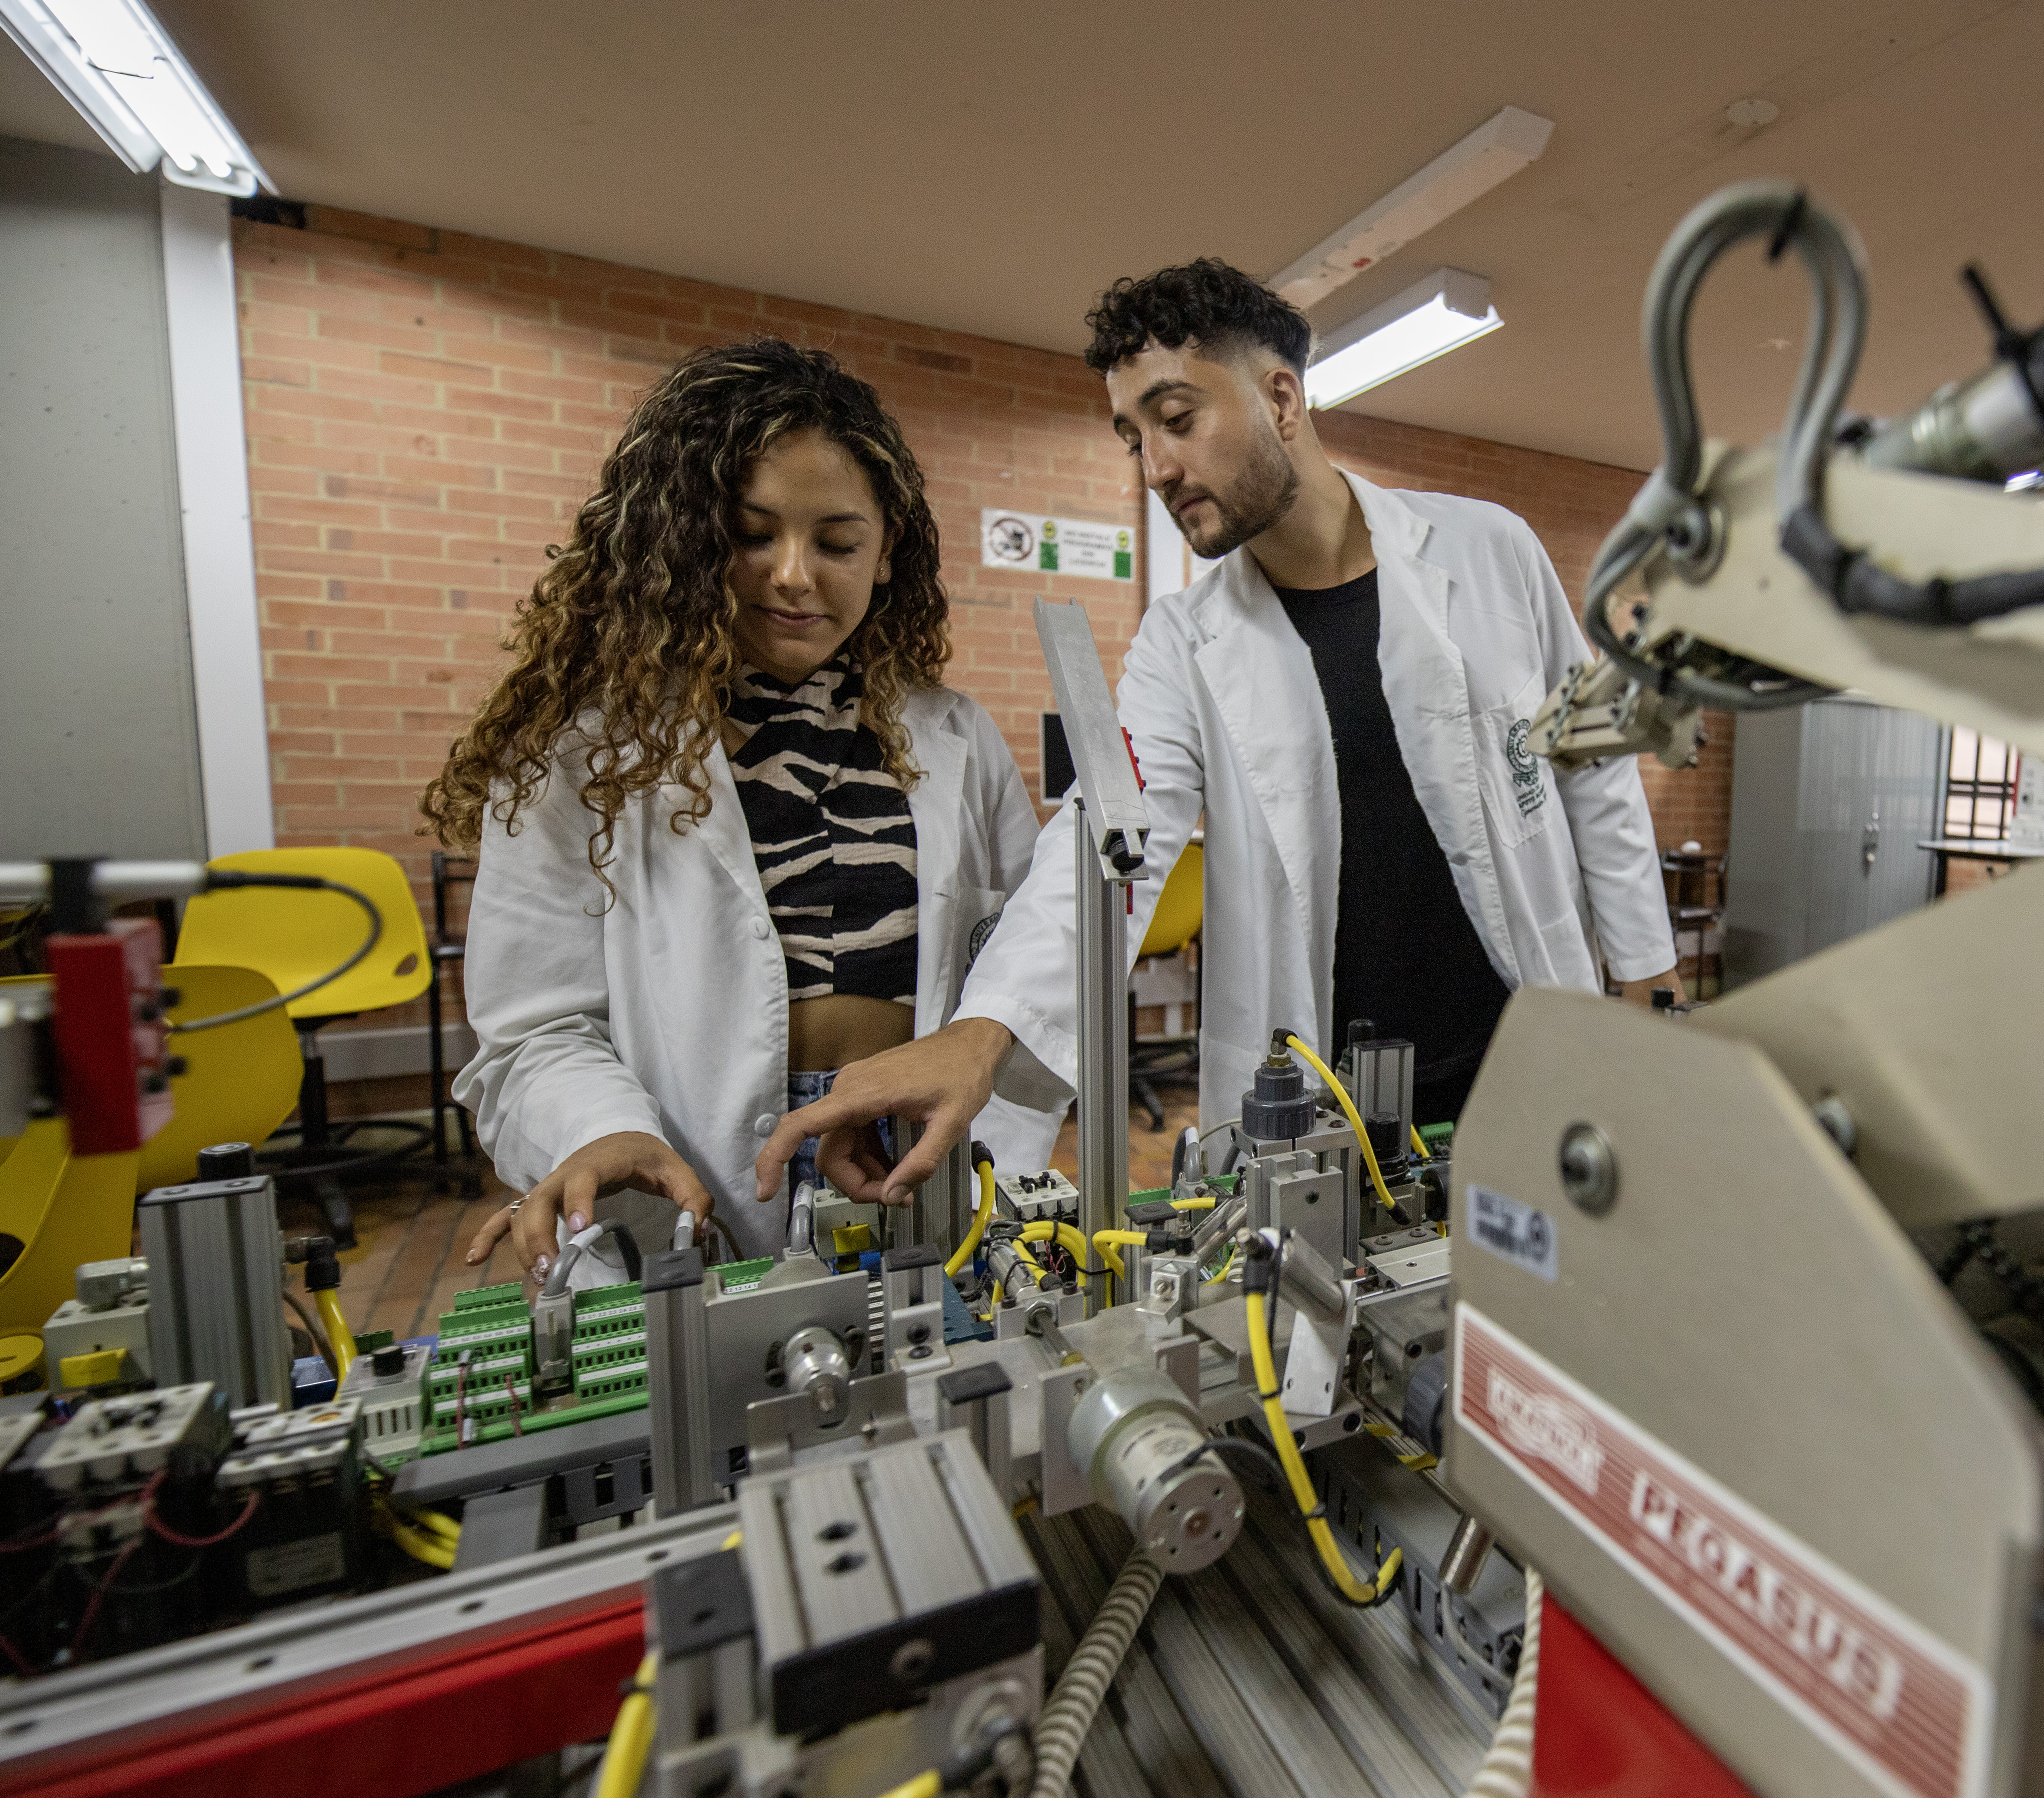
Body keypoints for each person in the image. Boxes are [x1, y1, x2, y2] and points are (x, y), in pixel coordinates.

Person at [759, 260, 1679, 1208]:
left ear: (1280, 398)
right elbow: (1108, 842)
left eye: (1177, 418)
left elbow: (1591, 766)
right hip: (1331, 1099)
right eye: (1134, 436)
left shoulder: (1491, 551)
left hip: (1526, 1044)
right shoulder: (1182, 644)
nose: (1155, 466)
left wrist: (1650, 981)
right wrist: (980, 1031)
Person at [431, 338, 1053, 1273]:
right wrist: (600, 1130)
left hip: (910, 1160)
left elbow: (1021, 963)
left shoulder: (956, 738)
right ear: (685, 544)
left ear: (888, 556)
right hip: (684, 1173)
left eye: (837, 542)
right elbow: (532, 1027)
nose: (794, 574)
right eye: (752, 535)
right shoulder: (581, 754)